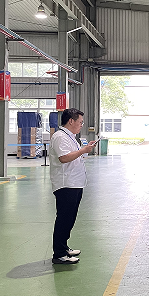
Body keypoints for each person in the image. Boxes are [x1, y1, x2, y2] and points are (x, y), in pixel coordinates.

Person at [49, 108, 96, 265]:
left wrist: (85, 149)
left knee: (70, 218)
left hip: (75, 183)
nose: (82, 125)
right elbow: (63, 158)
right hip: (65, 184)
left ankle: (64, 247)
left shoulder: (71, 137)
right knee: (64, 218)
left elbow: (76, 155)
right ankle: (59, 254)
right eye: (80, 122)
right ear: (71, 121)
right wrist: (82, 150)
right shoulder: (60, 137)